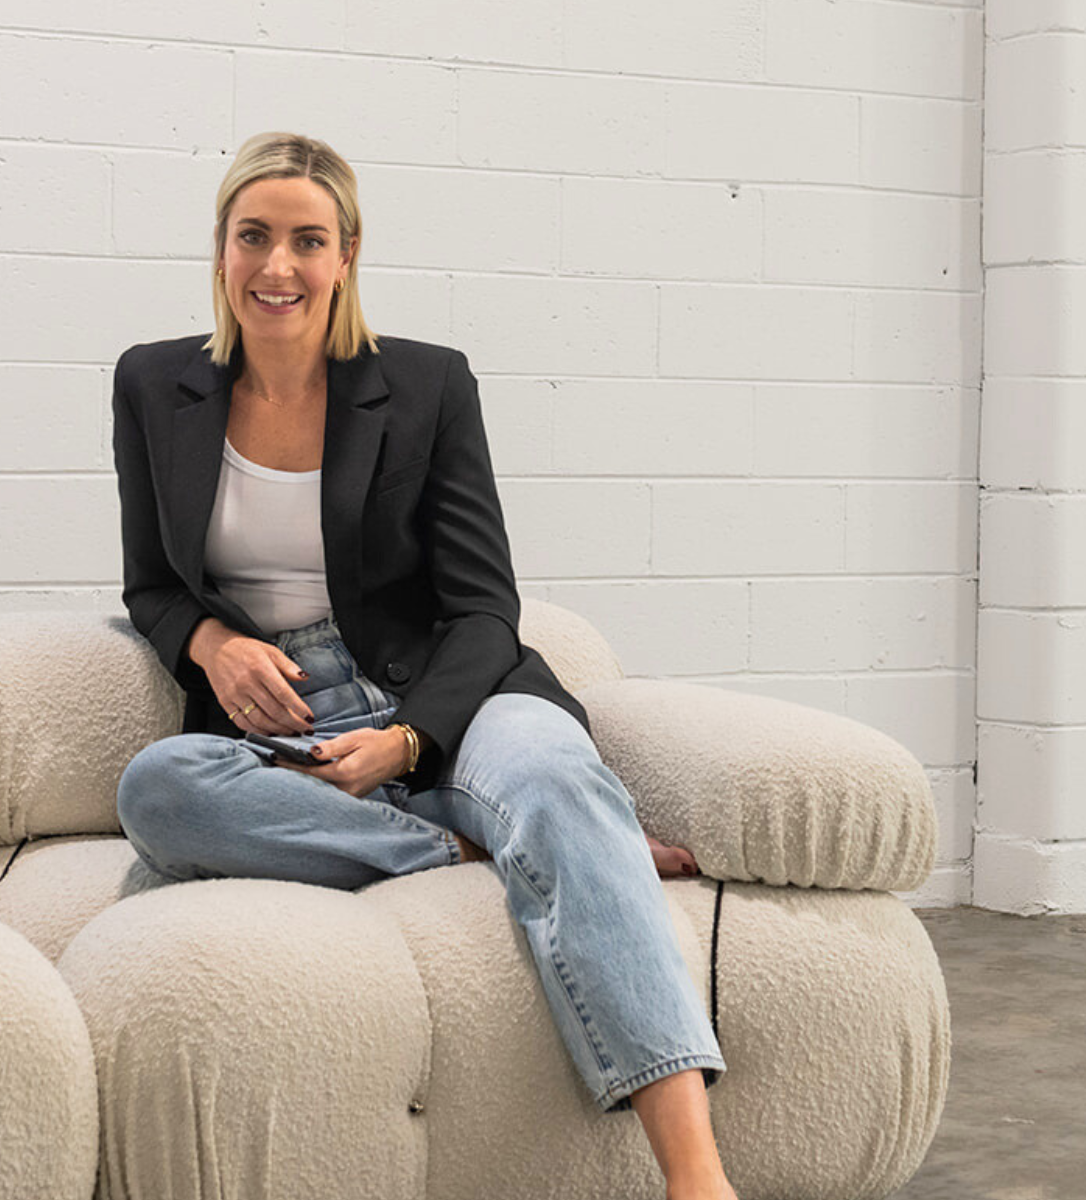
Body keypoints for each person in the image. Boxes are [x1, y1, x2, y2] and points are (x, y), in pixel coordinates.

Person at [110, 131, 737, 1200]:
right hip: (283, 720)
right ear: (217, 250)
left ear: (346, 255)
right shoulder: (150, 385)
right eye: (252, 236)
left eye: (306, 241)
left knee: (548, 773)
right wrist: (210, 644)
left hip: (448, 685)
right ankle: (462, 842)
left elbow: (484, 606)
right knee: (156, 794)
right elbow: (151, 587)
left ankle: (694, 1178)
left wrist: (408, 738)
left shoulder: (426, 385)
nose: (277, 267)